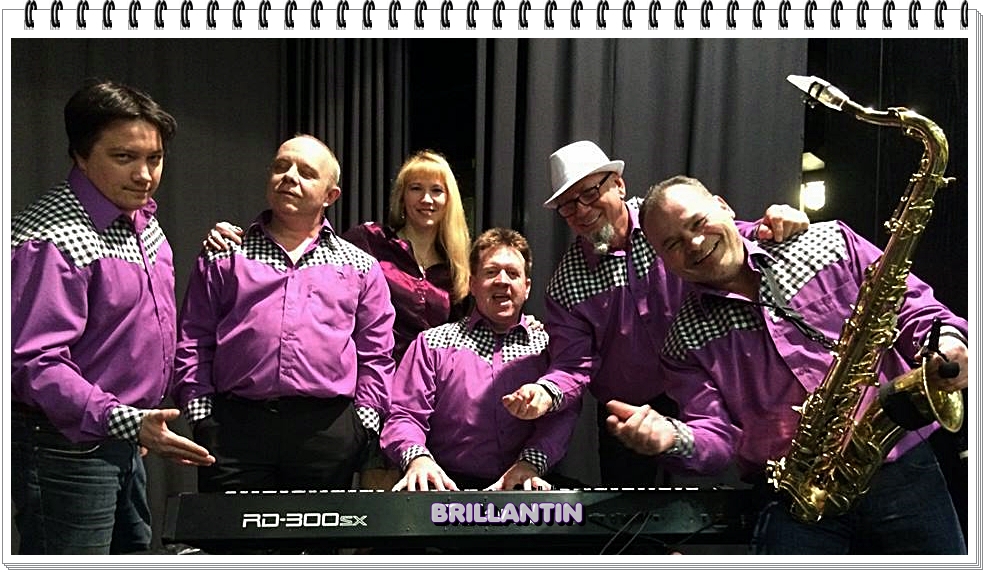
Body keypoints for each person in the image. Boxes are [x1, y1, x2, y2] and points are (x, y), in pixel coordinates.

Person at [607, 175, 967, 554]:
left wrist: (948, 342)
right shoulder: (682, 342)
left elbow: (911, 305)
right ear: (662, 261)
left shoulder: (828, 242)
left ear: (723, 206)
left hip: (902, 469)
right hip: (797, 497)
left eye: (698, 222)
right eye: (672, 244)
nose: (694, 243)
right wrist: (672, 438)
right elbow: (717, 436)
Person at [502, 140, 809, 488]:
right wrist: (546, 392)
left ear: (619, 184)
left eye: (589, 193)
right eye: (568, 205)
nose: (582, 210)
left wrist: (781, 225)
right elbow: (573, 363)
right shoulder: (566, 285)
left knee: (717, 501)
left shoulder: (665, 220)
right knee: (634, 514)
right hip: (631, 415)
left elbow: (727, 240)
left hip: (706, 391)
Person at [11, 80, 215, 555]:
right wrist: (125, 421)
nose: (144, 175)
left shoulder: (144, 221)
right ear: (80, 155)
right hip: (65, 445)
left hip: (122, 436)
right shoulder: (51, 238)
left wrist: (132, 423)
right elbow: (35, 364)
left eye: (155, 158)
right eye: (124, 157)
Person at [171, 135, 396, 492]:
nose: (289, 176)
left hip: (327, 434)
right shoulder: (224, 254)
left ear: (331, 195)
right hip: (233, 431)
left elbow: (376, 355)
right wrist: (202, 418)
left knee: (318, 531)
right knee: (230, 530)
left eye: (306, 172)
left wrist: (362, 427)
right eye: (281, 166)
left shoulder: (360, 267)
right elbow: (193, 340)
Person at [381, 228, 582, 491]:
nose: (502, 281)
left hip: (525, 488)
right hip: (445, 489)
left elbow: (561, 415)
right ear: (473, 285)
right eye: (491, 272)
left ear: (527, 288)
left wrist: (530, 465)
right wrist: (417, 459)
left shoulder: (549, 348)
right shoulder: (432, 344)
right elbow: (405, 414)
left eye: (513, 273)